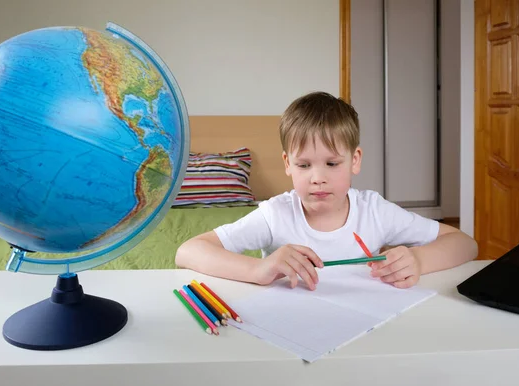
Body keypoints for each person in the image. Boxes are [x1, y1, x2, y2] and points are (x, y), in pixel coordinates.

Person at [175, 91, 478, 290]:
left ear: (354, 160)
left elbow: (465, 244)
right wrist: (260, 269)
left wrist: (420, 261)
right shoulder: (275, 214)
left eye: (332, 163)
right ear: (287, 164)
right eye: (304, 165)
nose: (317, 178)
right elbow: (187, 251)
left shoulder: (375, 212)